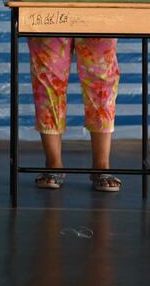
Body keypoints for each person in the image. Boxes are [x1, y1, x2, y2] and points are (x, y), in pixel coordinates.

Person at [28, 37, 120, 191]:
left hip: (98, 14)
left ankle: (101, 166)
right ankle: (53, 164)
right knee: (47, 79)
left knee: (101, 81)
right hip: (50, 14)